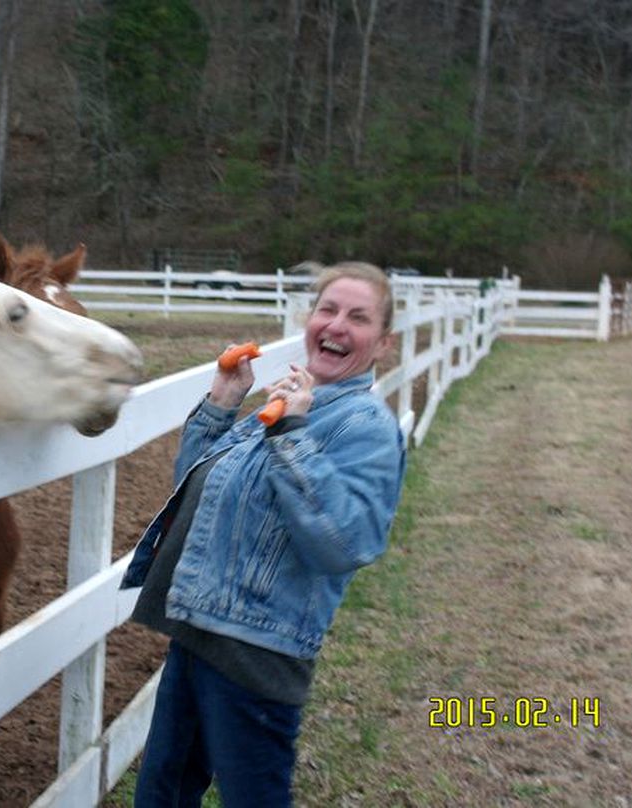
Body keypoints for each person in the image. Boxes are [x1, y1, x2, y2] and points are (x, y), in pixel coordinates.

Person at [121, 262, 407, 807]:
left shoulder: (365, 427)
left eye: (358, 317)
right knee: (161, 794)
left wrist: (292, 434)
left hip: (257, 652)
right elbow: (199, 498)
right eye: (328, 309)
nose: (337, 325)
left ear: (382, 343)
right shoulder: (288, 403)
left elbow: (346, 543)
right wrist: (223, 405)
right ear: (308, 320)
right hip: (200, 631)